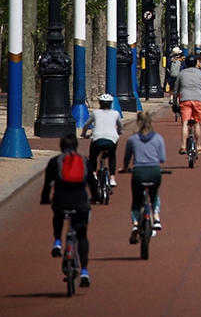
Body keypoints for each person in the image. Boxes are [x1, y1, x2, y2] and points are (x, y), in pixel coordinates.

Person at [41, 133, 99, 287]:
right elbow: (92, 183)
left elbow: (47, 185)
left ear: (61, 147)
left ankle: (58, 241)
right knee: (82, 235)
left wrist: (45, 199)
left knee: (58, 214)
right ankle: (84, 270)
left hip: (61, 200)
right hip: (80, 202)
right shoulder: (84, 161)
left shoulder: (55, 161)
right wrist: (96, 197)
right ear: (76, 146)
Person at [122, 112, 167, 242]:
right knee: (154, 195)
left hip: (138, 173)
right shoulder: (158, 138)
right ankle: (157, 218)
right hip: (154, 171)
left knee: (136, 200)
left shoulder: (132, 139)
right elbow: (162, 158)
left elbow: (126, 159)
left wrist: (125, 168)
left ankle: (135, 224)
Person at [81, 93, 123, 187]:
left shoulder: (96, 113)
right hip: (112, 140)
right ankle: (112, 178)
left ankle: (94, 174)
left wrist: (84, 134)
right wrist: (119, 132)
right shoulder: (116, 113)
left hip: (97, 139)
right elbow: (120, 125)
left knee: (93, 156)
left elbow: (87, 124)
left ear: (100, 103)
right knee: (112, 156)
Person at [175, 55, 201, 154]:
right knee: (197, 123)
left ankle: (183, 146)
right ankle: (198, 146)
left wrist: (174, 103)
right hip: (198, 99)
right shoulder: (200, 74)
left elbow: (176, 90)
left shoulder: (181, 74)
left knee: (185, 122)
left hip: (185, 99)